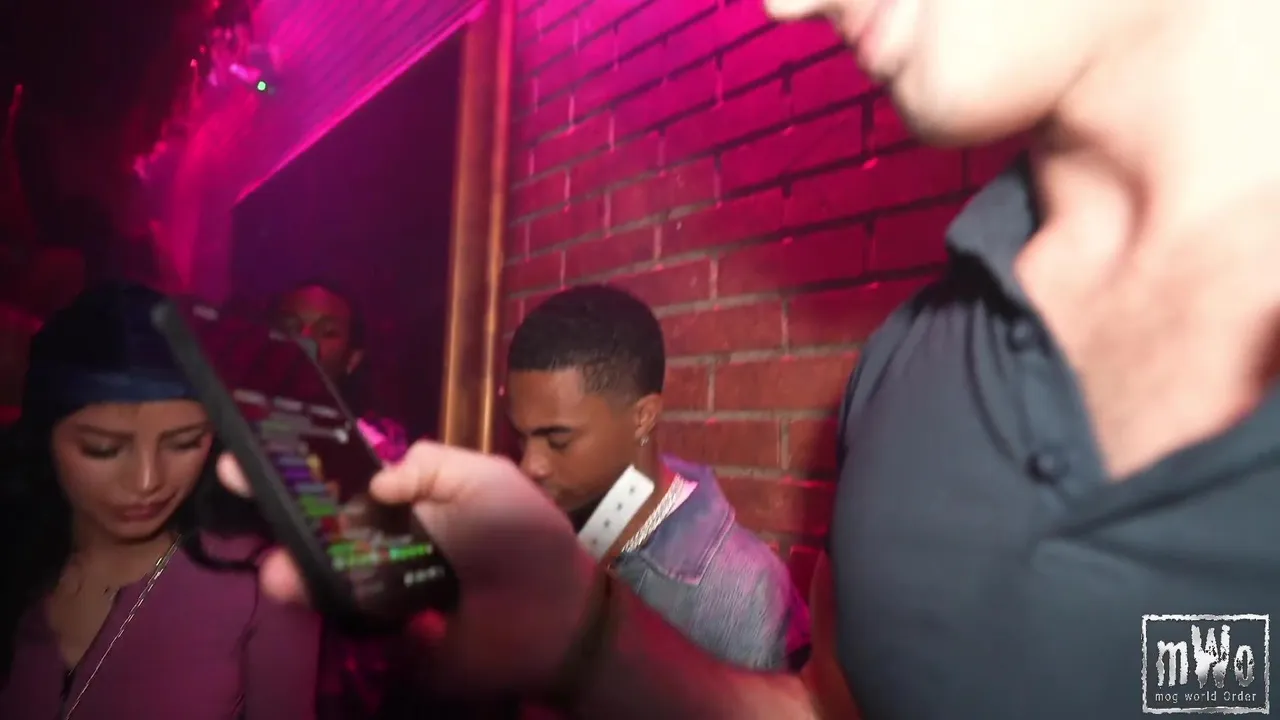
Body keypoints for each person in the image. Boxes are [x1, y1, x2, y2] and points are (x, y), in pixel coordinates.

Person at [218, 0, 1280, 718]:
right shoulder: (908, 367)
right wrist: (585, 637)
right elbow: (826, 708)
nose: (781, 5)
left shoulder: (734, 578)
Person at [0, 282, 320, 719]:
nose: (148, 481)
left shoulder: (266, 588)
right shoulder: (16, 553)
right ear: (44, 437)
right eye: (103, 449)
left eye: (185, 443)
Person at [506, 284, 810, 671]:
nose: (529, 465)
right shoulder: (549, 530)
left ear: (643, 417)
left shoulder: (744, 594)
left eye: (557, 440)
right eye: (521, 436)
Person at [275, 280, 407, 463]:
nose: (305, 339)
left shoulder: (370, 449)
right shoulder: (242, 424)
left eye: (328, 332)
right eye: (290, 327)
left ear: (352, 359)